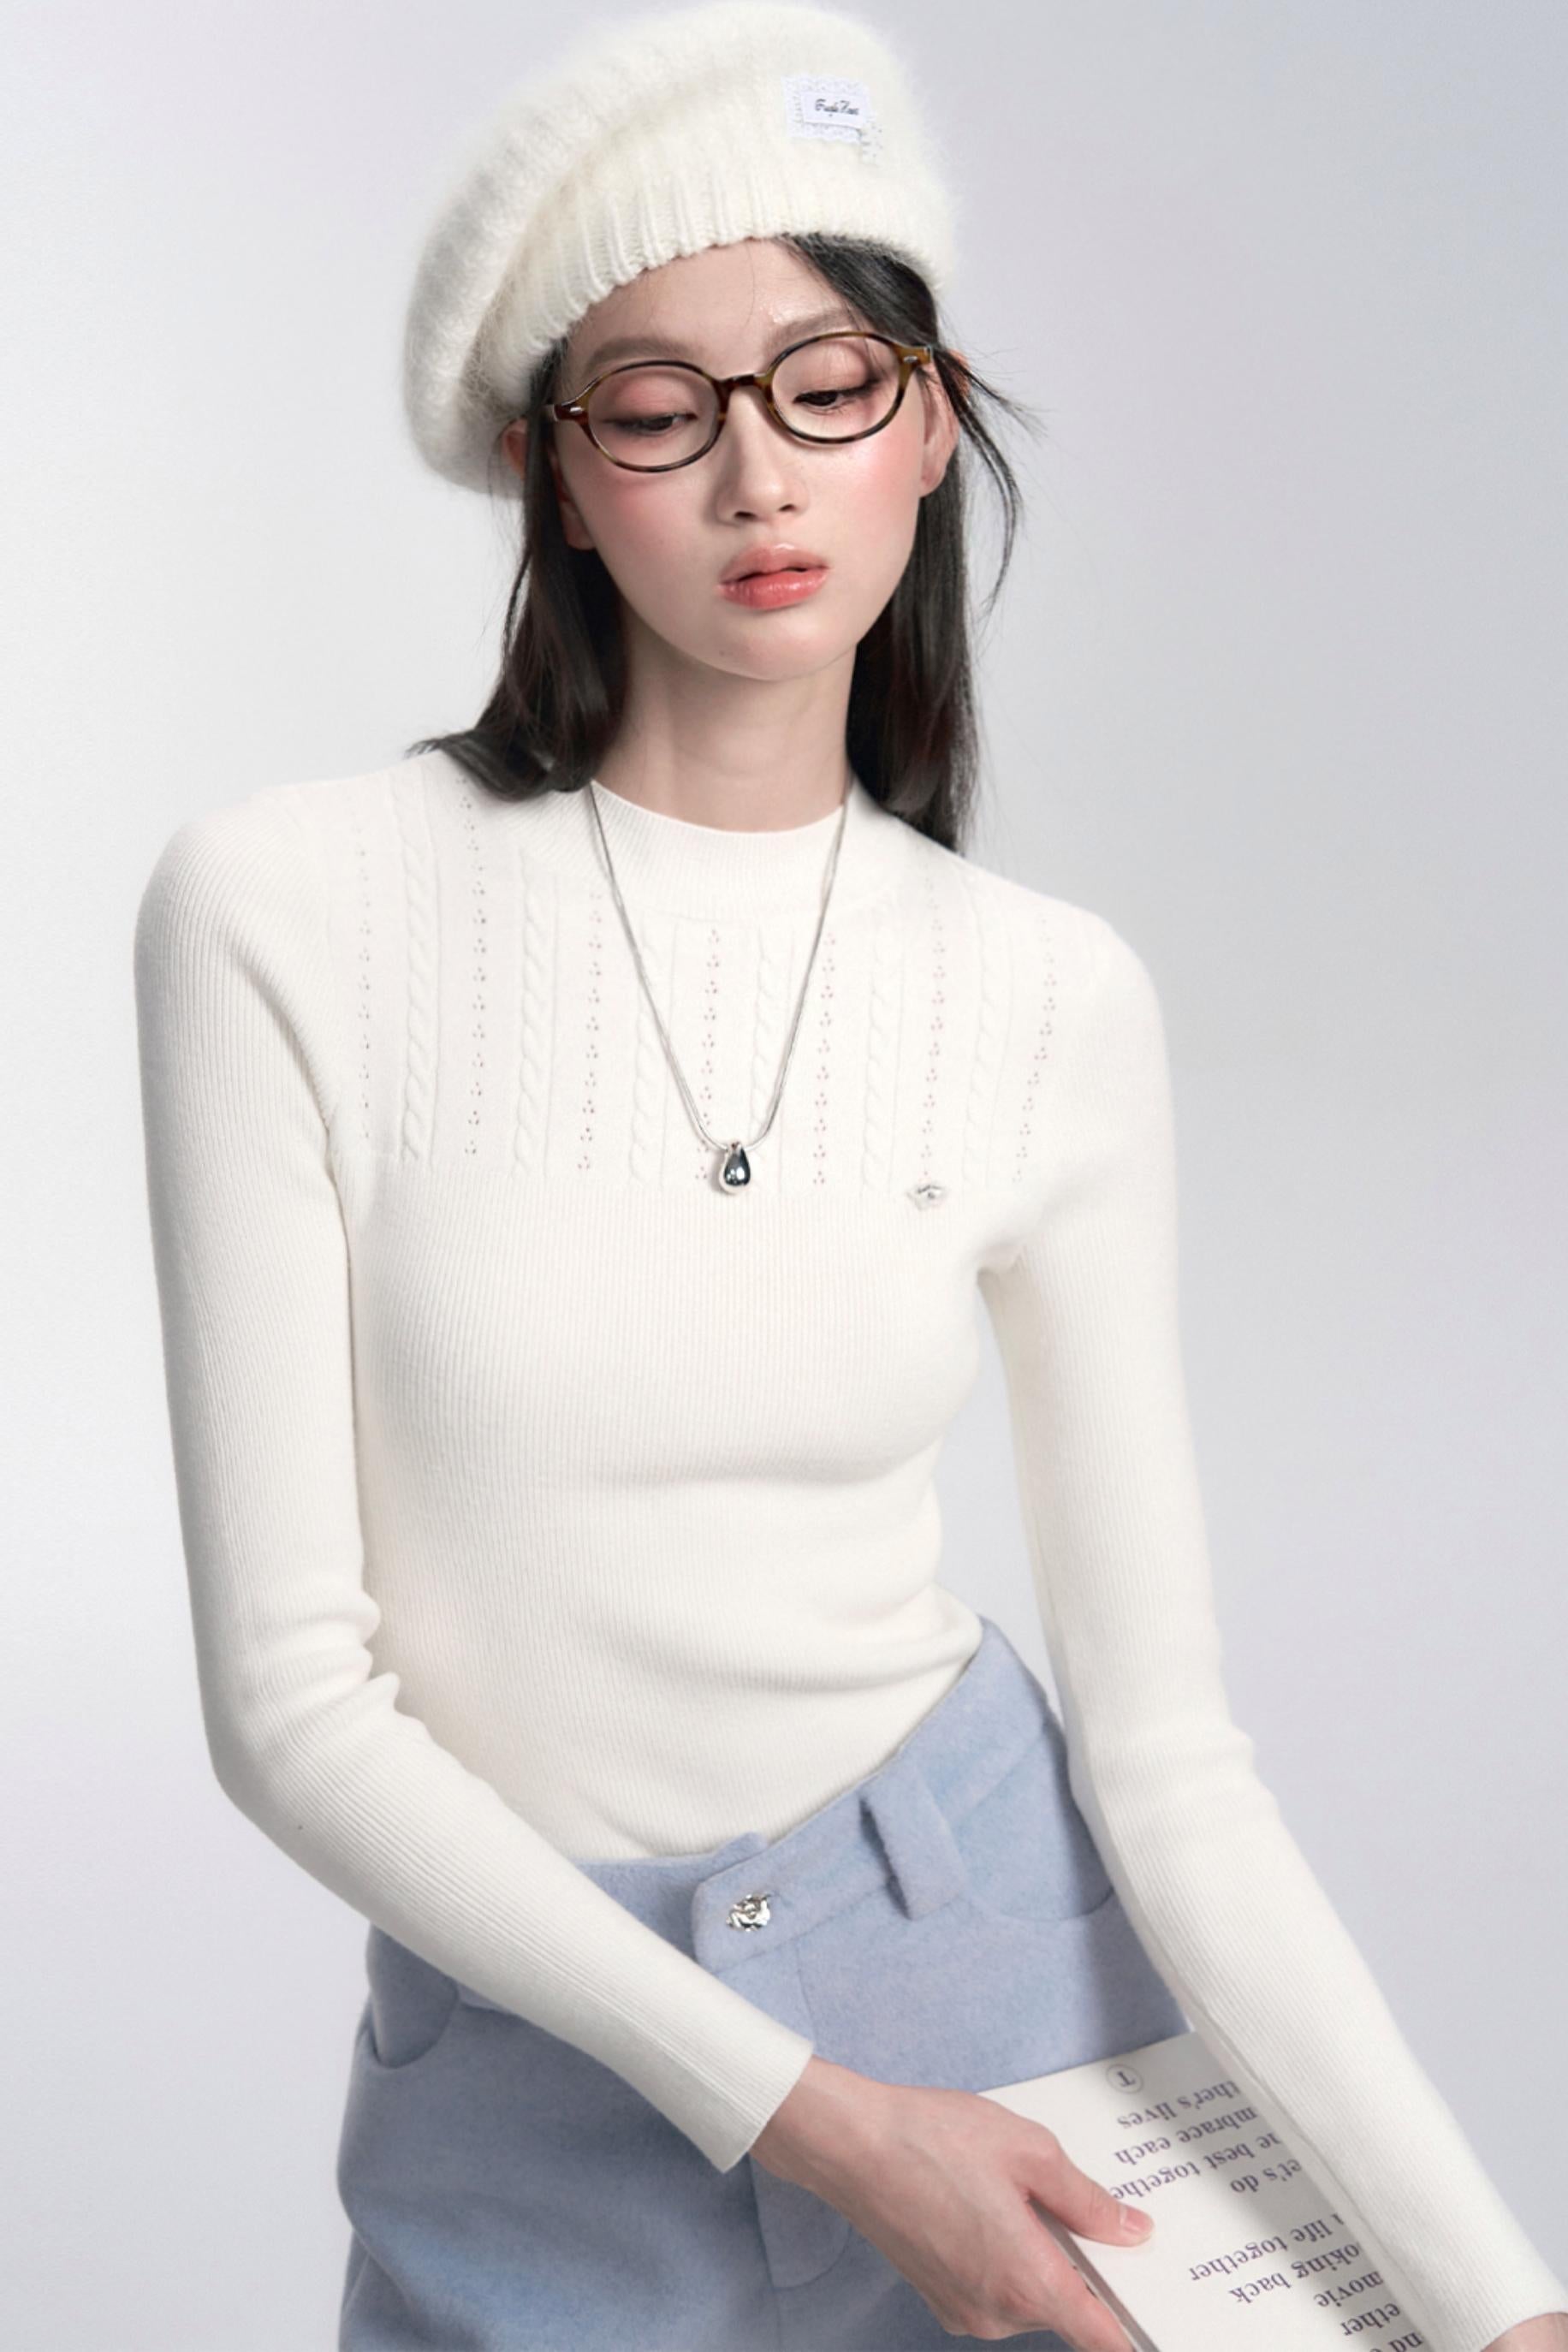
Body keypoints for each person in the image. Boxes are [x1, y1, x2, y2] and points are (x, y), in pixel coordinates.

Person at [130, 5, 1567, 2349]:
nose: (755, 478)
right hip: (545, 2057)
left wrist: (1493, 2298)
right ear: (551, 471)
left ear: (925, 418)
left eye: (824, 383)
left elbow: (1170, 1758)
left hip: (996, 1983)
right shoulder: (286, 909)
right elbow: (293, 1710)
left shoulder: (1048, 992)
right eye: (655, 407)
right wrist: (827, 2124)